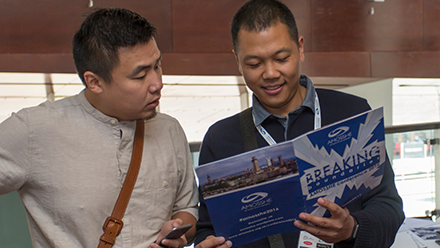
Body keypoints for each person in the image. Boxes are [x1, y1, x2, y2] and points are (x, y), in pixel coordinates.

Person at [194, 0, 404, 247]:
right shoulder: (220, 139)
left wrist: (353, 228)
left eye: (282, 58)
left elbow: (389, 206)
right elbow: (207, 228)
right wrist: (205, 243)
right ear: (237, 61)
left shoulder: (353, 113)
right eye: (254, 64)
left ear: (300, 48)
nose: (270, 73)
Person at [0, 8, 198, 248]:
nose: (158, 83)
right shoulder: (35, 130)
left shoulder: (170, 130)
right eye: (140, 76)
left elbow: (187, 209)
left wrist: (178, 231)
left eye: (157, 66)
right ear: (94, 82)